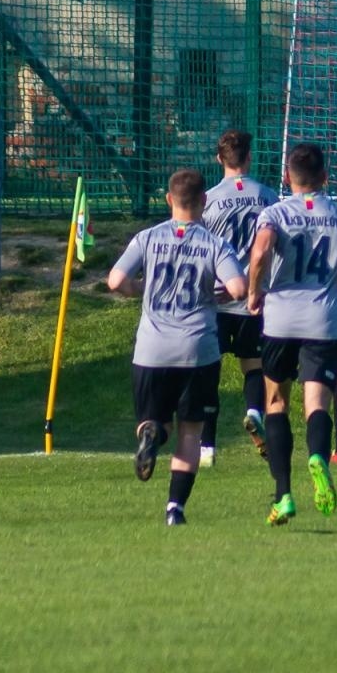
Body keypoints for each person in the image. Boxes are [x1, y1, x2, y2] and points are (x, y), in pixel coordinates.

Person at [247, 142, 337, 525]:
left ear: (288, 177)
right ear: (324, 178)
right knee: (316, 404)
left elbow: (260, 253)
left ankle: (284, 495)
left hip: (281, 320)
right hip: (325, 321)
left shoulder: (275, 213)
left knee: (275, 404)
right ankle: (319, 456)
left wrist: (255, 291)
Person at [107, 170, 247, 526]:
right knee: (190, 432)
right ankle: (175, 508)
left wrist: (142, 290)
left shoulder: (148, 238)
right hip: (197, 349)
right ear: (204, 202)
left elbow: (116, 281)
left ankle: (151, 433)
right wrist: (219, 293)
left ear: (169, 200)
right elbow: (238, 287)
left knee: (151, 419)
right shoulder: (214, 243)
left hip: (151, 350)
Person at [197, 129, 279, 465]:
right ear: (248, 158)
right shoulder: (268, 195)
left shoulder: (208, 199)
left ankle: (207, 448)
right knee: (253, 366)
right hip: (254, 298)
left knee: (208, 374)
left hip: (216, 297)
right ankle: (254, 410)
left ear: (220, 160)